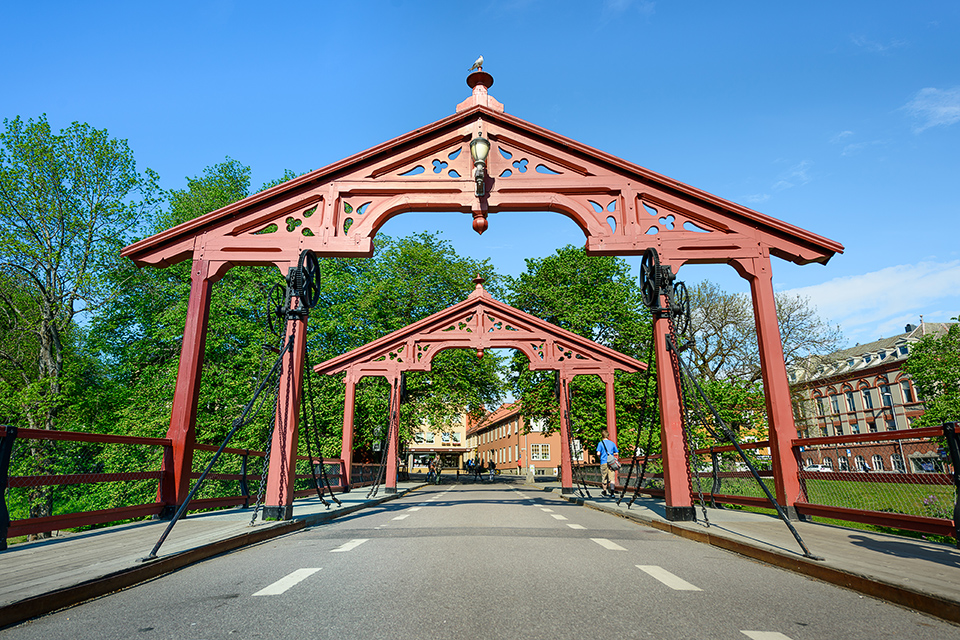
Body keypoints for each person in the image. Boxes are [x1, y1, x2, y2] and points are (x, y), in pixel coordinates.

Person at [597, 428, 619, 497]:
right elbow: (616, 452)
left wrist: (600, 458)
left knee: (604, 477)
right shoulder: (612, 443)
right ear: (608, 435)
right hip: (611, 463)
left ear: (602, 435)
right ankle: (612, 492)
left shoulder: (600, 443)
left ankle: (604, 491)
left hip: (603, 462)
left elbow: (598, 453)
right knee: (612, 477)